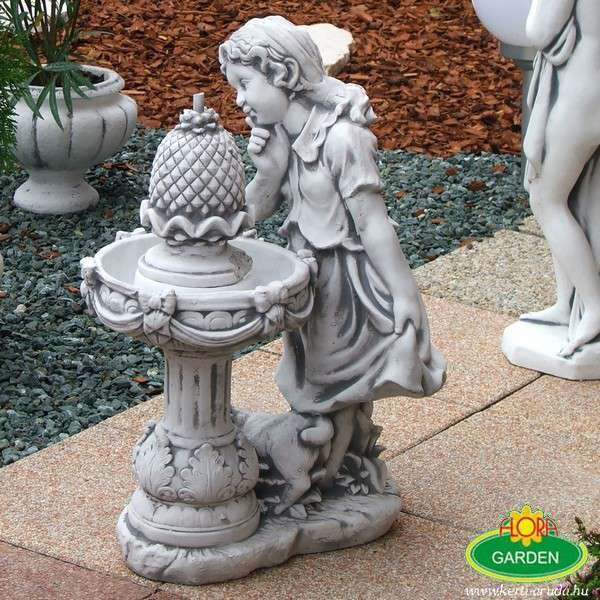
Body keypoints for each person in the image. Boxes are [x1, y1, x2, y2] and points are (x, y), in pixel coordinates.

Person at [219, 16, 445, 485]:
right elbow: (253, 211)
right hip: (310, 279)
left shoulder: (343, 138)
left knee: (328, 387)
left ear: (282, 74)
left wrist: (406, 296)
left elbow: (373, 223)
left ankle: (325, 476)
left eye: (244, 84)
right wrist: (266, 170)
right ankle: (338, 467)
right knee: (321, 384)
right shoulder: (280, 133)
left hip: (348, 287)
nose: (238, 99)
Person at [522, 0, 600, 356]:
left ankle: (594, 306)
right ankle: (568, 303)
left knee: (545, 197)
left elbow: (539, 30)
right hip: (590, 85)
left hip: (581, 89)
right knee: (576, 193)